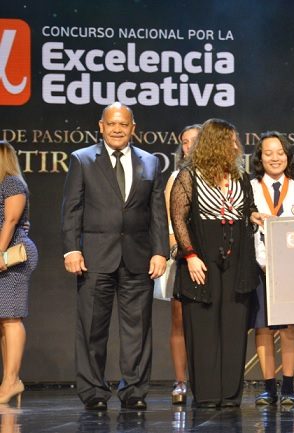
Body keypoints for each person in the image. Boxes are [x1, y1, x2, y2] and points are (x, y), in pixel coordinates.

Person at [61, 102, 169, 411]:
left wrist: (160, 251)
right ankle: (94, 391)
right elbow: (71, 209)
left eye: (123, 124)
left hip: (138, 257)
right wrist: (72, 248)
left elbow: (157, 212)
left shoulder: (150, 162)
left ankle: (133, 390)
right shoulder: (82, 159)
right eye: (112, 124)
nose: (118, 129)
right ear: (101, 126)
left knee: (137, 330)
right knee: (92, 328)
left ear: (133, 128)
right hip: (94, 258)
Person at [170, 118, 263, 408]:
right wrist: (190, 255)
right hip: (202, 259)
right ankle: (209, 394)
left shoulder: (240, 176)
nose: (237, 145)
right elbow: (179, 218)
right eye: (231, 140)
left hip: (237, 262)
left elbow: (246, 207)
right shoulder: (190, 175)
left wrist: (253, 216)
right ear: (216, 143)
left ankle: (230, 393)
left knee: (234, 325)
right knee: (204, 324)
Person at [249, 131, 294, 407]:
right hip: (257, 267)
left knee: (288, 328)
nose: (275, 158)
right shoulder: (249, 187)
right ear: (260, 158)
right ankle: (268, 387)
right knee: (262, 329)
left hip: (289, 270)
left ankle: (288, 385)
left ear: (288, 156)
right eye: (268, 153)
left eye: (280, 152)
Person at [163, 124, 200, 405]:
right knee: (179, 322)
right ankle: (180, 382)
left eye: (194, 141)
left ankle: (206, 380)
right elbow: (171, 223)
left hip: (211, 259)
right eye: (184, 142)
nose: (188, 146)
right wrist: (183, 252)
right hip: (183, 258)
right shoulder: (177, 177)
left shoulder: (221, 176)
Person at [0, 141, 38, 405]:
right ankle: (9, 380)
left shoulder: (12, 183)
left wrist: (0, 254)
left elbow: (11, 221)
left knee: (11, 317)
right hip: (4, 254)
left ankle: (12, 381)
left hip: (12, 254)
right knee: (3, 319)